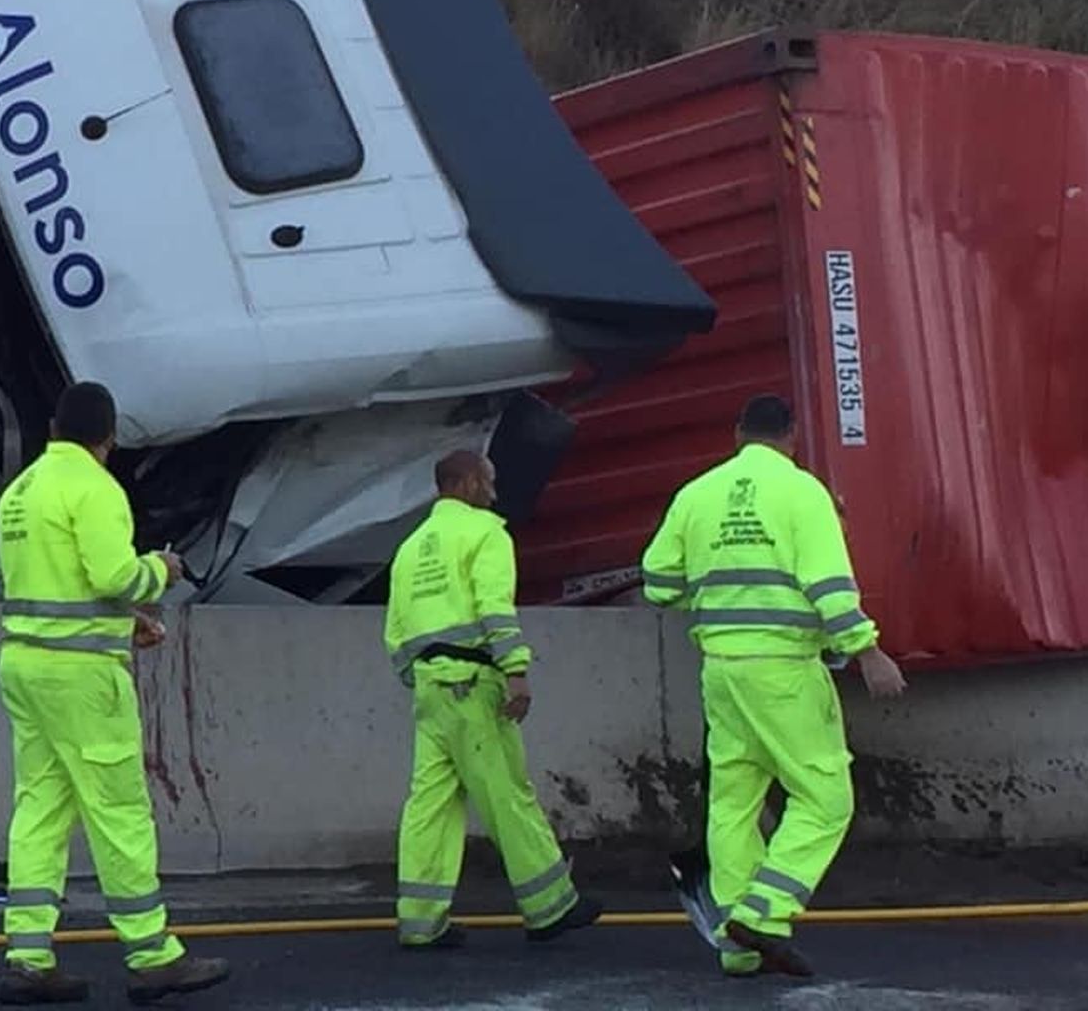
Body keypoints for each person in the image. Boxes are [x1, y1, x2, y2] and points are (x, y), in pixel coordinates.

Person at [641, 394, 907, 979]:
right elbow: (830, 585)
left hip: (722, 671)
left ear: (738, 432)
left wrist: (714, 599)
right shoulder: (802, 492)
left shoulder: (697, 493)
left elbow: (658, 582)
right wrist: (868, 651)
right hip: (784, 670)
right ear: (792, 436)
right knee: (825, 798)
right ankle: (766, 912)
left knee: (733, 804)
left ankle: (737, 946)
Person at [0, 381, 229, 1006]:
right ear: (108, 440)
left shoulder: (20, 491)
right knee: (119, 810)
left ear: (52, 428)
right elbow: (113, 574)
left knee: (39, 809)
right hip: (82, 679)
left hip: (24, 665)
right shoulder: (95, 488)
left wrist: (123, 626)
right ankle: (152, 954)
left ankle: (28, 955)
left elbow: (56, 587)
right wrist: (161, 571)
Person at [385, 449, 604, 950]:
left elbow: (395, 632)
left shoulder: (411, 548)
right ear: (464, 484)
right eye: (489, 481)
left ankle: (420, 920)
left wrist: (419, 677)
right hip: (474, 685)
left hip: (430, 692)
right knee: (507, 794)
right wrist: (515, 671)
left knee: (430, 806)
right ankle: (550, 907)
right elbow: (494, 610)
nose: (495, 492)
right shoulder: (486, 534)